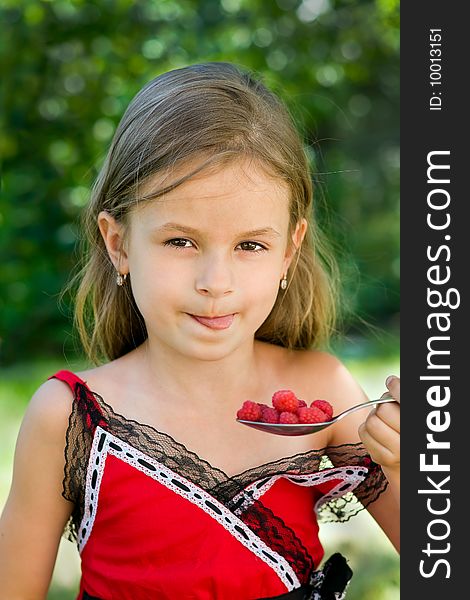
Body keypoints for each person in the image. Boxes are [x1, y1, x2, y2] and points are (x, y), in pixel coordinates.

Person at [0, 62, 399, 600]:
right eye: (180, 242)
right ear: (118, 244)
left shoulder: (322, 393)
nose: (216, 282)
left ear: (289, 251)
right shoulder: (70, 418)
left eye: (250, 246)